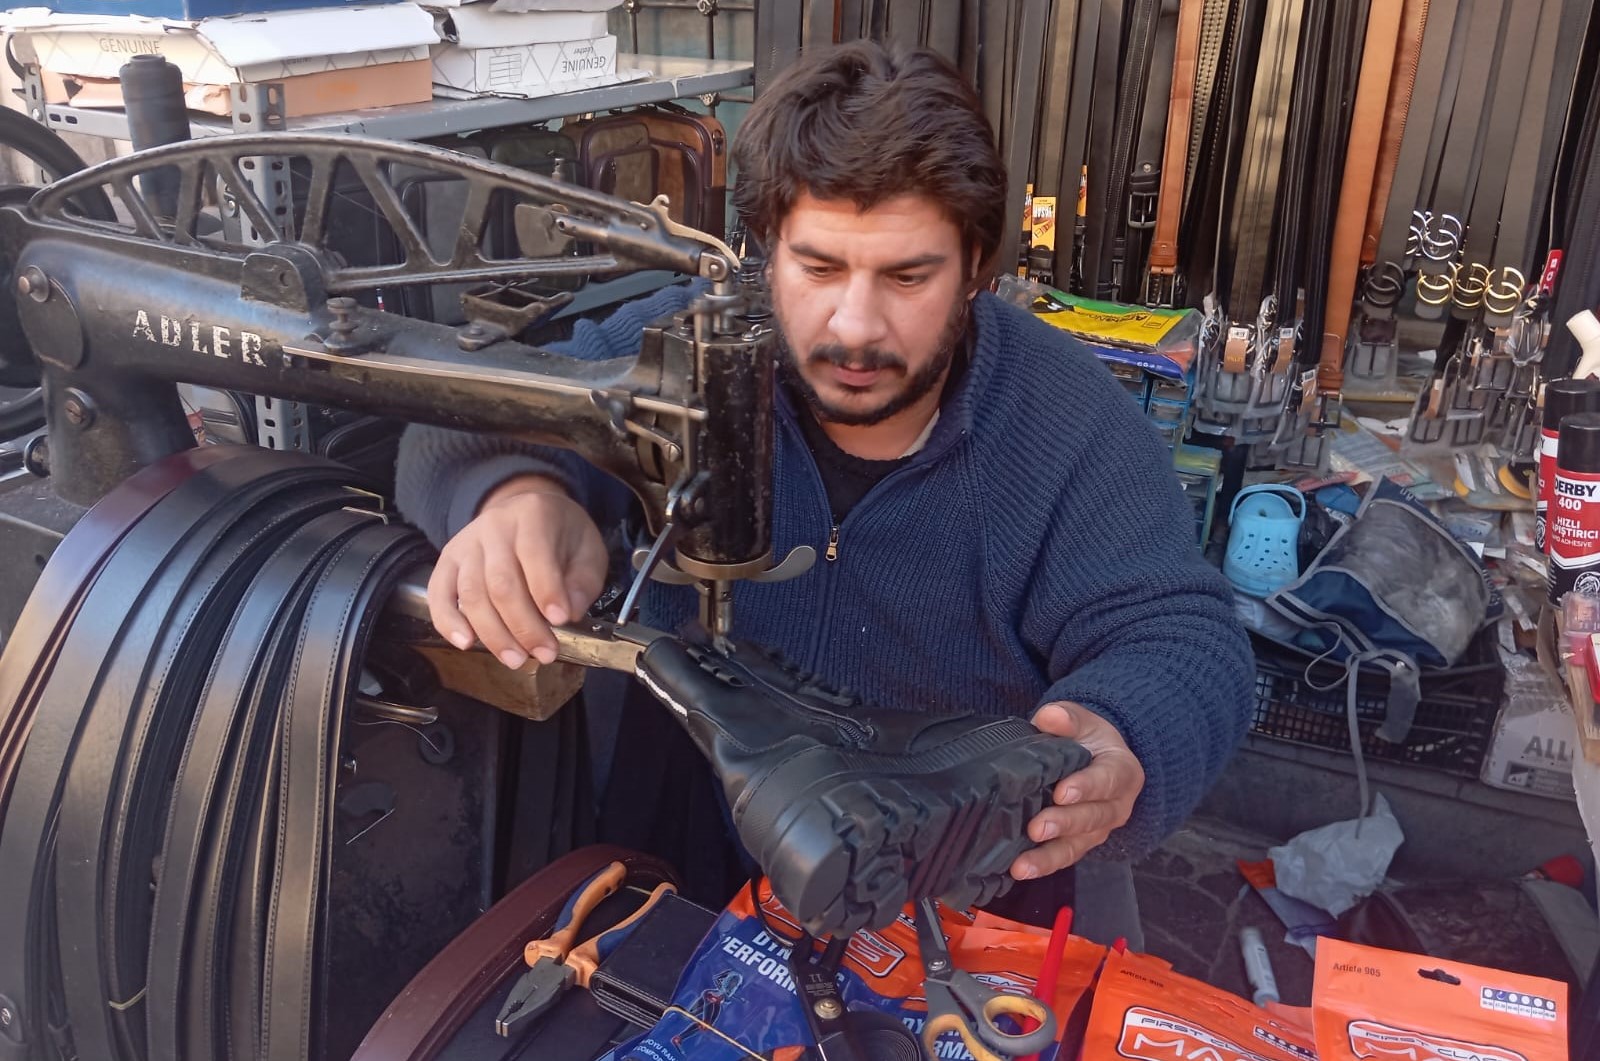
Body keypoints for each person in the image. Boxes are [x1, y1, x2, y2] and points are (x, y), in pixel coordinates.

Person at [396, 40, 1254, 930]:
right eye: (819, 268)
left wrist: (1122, 734)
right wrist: (517, 494)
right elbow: (466, 414)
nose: (854, 325)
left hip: (956, 884)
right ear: (766, 255)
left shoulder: (1067, 421)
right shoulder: (693, 348)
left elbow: (1184, 639)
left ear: (975, 272)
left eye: (907, 276)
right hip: (696, 847)